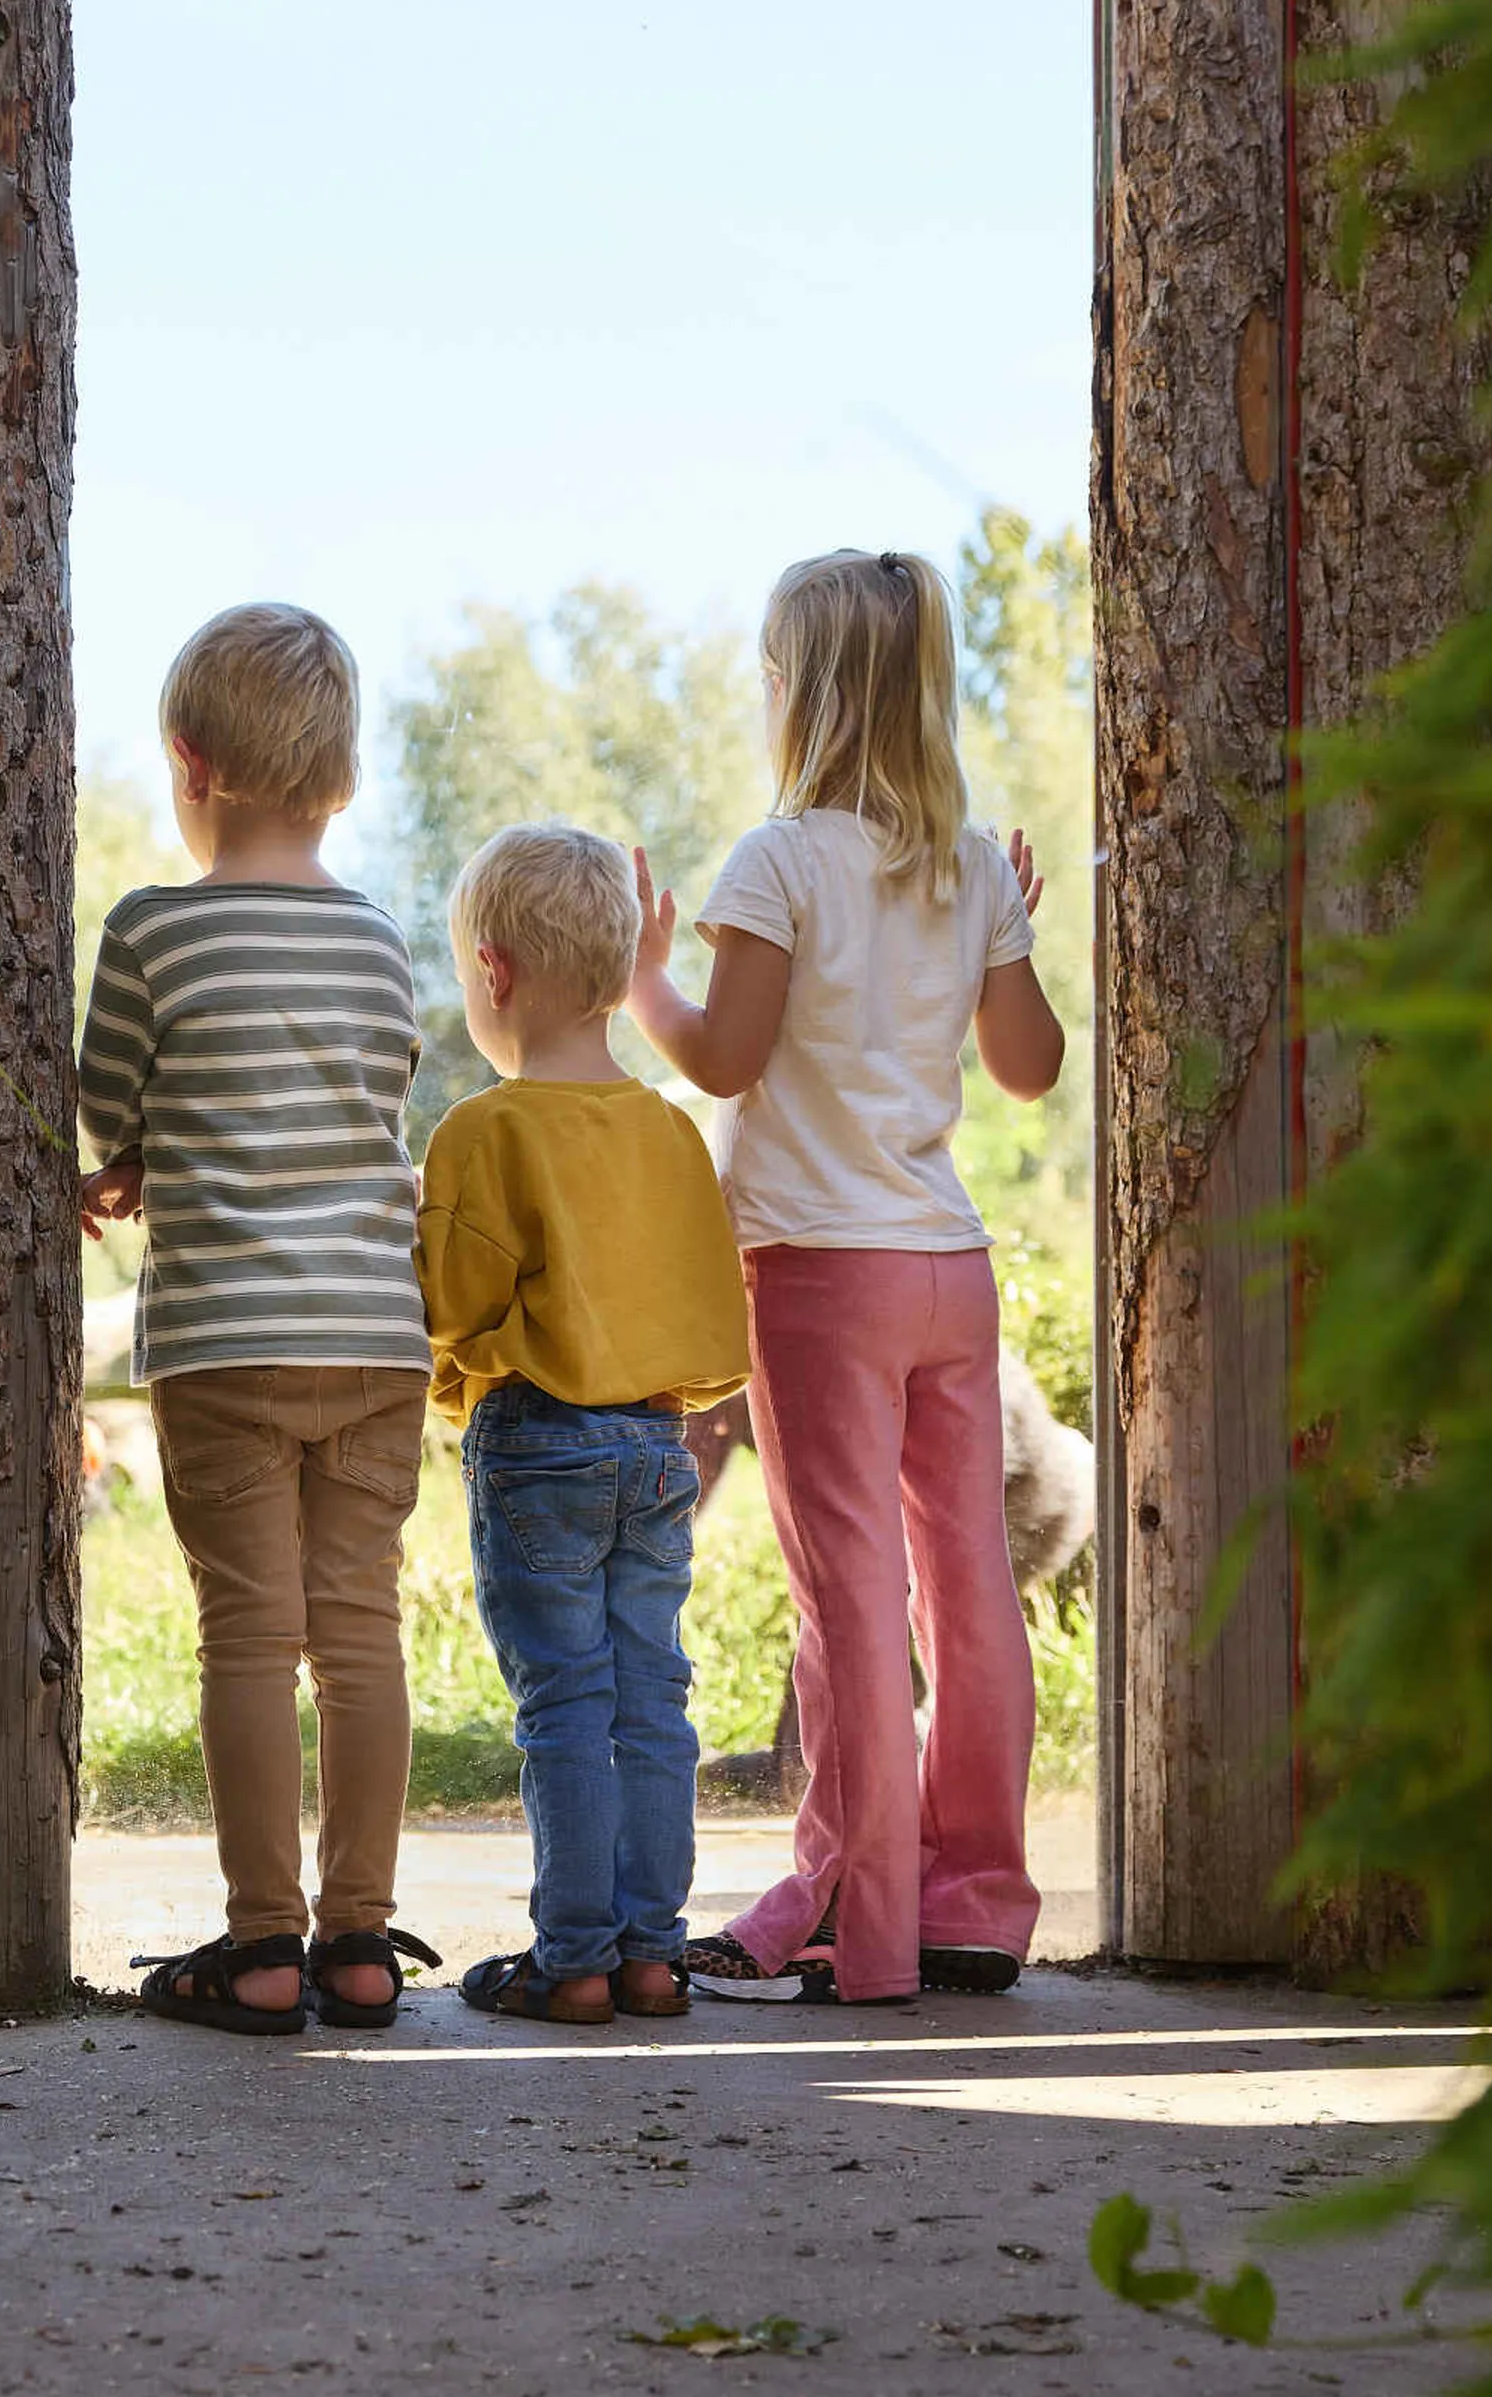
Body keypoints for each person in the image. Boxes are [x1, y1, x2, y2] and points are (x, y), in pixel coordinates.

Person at [627, 548, 1067, 2006]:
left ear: (798, 694)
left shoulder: (780, 860)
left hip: (821, 1271)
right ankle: (977, 1904)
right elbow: (1030, 1066)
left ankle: (861, 1927)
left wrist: (644, 983)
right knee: (970, 1586)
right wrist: (1013, 930)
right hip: (952, 1271)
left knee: (853, 1599)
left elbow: (723, 1058)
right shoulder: (969, 868)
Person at [76, 603, 443, 2035]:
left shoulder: (154, 930)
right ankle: (360, 1940)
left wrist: (133, 1157)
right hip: (373, 1335)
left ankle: (262, 1945)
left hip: (226, 1336)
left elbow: (111, 1101)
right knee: (359, 1634)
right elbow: (364, 1111)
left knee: (245, 1635)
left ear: (189, 760)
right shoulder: (380, 940)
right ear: (341, 776)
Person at [416, 823, 751, 2024]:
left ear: (493, 972)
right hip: (656, 1450)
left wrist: (462, 1387)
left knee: (563, 1705)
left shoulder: (483, 1131)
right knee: (653, 1696)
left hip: (535, 1444)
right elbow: (709, 1315)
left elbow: (450, 1310)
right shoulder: (669, 1130)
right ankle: (652, 1952)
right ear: (620, 972)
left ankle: (572, 1962)